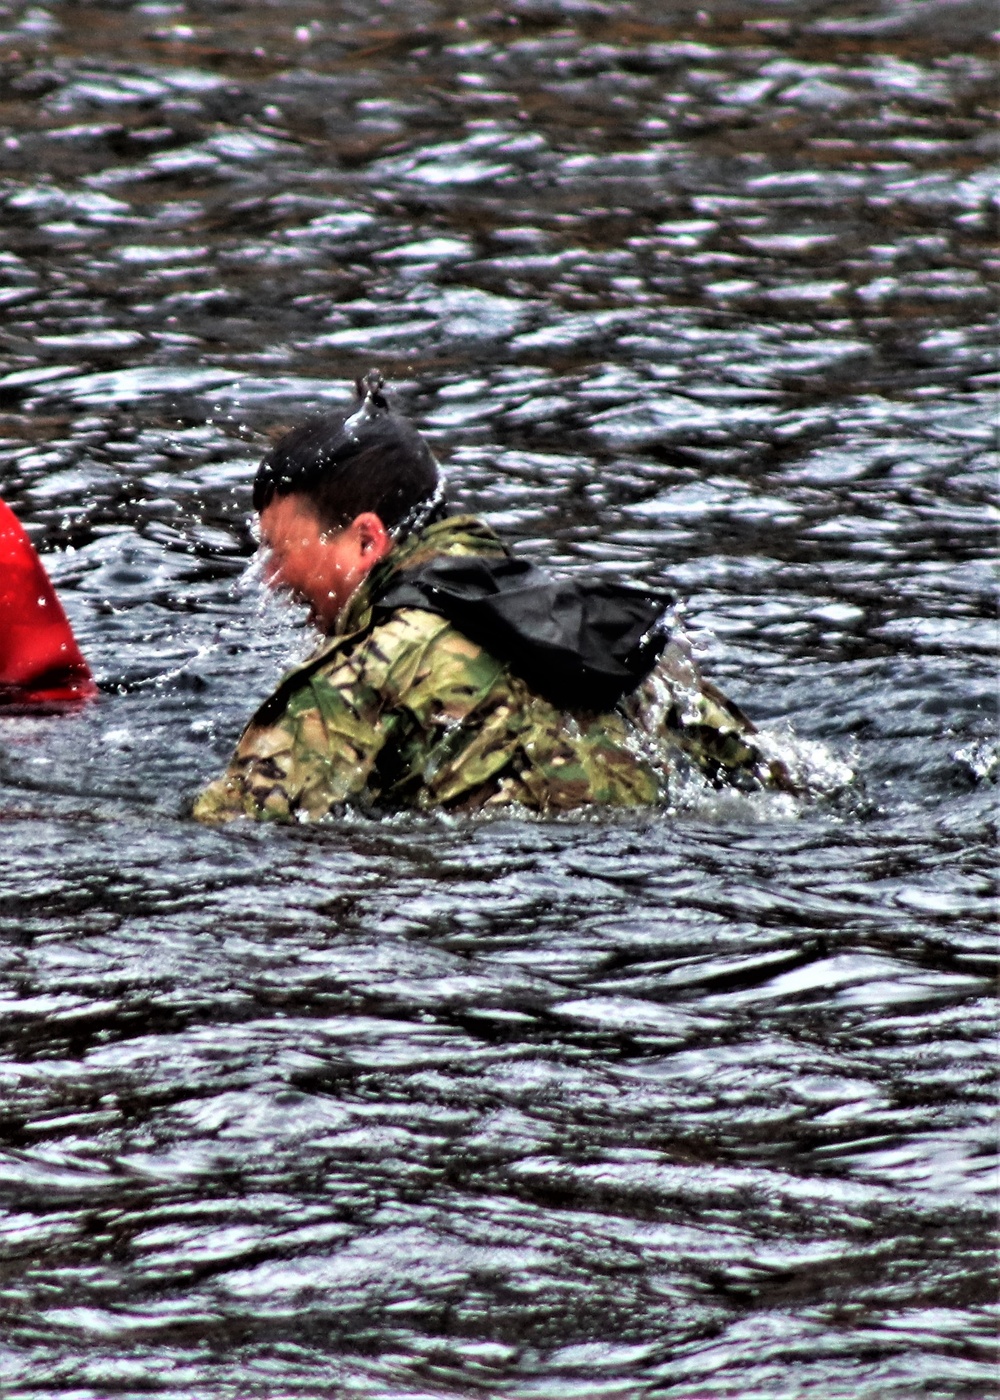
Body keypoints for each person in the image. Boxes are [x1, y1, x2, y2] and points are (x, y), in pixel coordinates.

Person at [192, 372, 791, 823]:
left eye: (280, 551)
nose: (268, 578)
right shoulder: (596, 628)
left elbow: (226, 835)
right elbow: (782, 786)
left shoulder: (357, 676)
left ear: (367, 539)